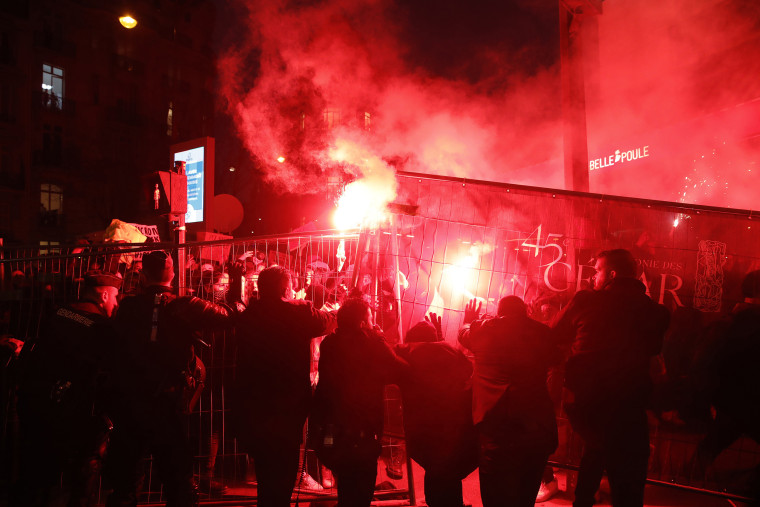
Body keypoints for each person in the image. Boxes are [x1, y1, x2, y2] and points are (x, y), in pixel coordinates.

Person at [104, 251, 235, 507]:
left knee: (127, 481)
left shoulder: (128, 307)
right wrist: (225, 293)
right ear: (173, 273)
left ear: (143, 274)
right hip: (168, 401)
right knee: (178, 479)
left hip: (131, 401)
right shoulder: (183, 305)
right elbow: (226, 316)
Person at [552, 249, 669, 507]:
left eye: (597, 271)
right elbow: (651, 351)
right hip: (628, 401)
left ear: (612, 274)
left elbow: (554, 334)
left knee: (597, 445)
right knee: (626, 466)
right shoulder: (657, 313)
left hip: (585, 402)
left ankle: (583, 500)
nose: (593, 277)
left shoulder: (586, 301)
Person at [13, 270, 122, 507]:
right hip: (76, 406)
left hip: (38, 400)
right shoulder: (101, 325)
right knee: (83, 471)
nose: (116, 302)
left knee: (35, 472)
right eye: (115, 296)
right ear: (103, 296)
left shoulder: (57, 312)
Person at [232, 266, 336, 507]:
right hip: (288, 405)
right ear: (285, 288)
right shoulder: (296, 312)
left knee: (265, 470)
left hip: (255, 403)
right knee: (284, 468)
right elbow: (328, 322)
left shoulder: (249, 315)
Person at [459, 296, 559, 507]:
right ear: (525, 312)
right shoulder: (542, 333)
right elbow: (556, 358)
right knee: (526, 495)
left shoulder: (484, 330)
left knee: (497, 496)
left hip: (497, 428)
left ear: (499, 311)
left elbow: (463, 335)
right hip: (536, 428)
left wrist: (469, 320)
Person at [309, 298, 409, 506]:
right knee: (362, 483)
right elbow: (398, 370)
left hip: (335, 426)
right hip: (363, 427)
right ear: (362, 323)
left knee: (346, 480)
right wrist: (379, 338)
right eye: (370, 319)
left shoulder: (330, 343)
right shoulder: (371, 343)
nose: (373, 323)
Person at [394, 315, 477, 507]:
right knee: (448, 475)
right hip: (456, 431)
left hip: (423, 432)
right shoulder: (452, 353)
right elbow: (465, 370)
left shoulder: (405, 354)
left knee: (436, 473)